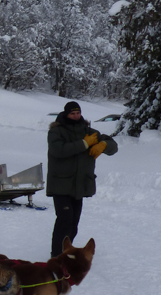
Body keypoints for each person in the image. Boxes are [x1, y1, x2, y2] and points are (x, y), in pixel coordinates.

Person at [47, 101, 118, 257]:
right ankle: (56, 255)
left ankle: (65, 252)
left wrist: (104, 145)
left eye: (78, 113)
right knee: (64, 219)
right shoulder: (56, 132)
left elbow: (114, 145)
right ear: (66, 114)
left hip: (79, 185)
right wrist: (85, 144)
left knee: (73, 224)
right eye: (72, 113)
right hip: (60, 184)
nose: (76, 116)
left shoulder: (88, 131)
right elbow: (59, 150)